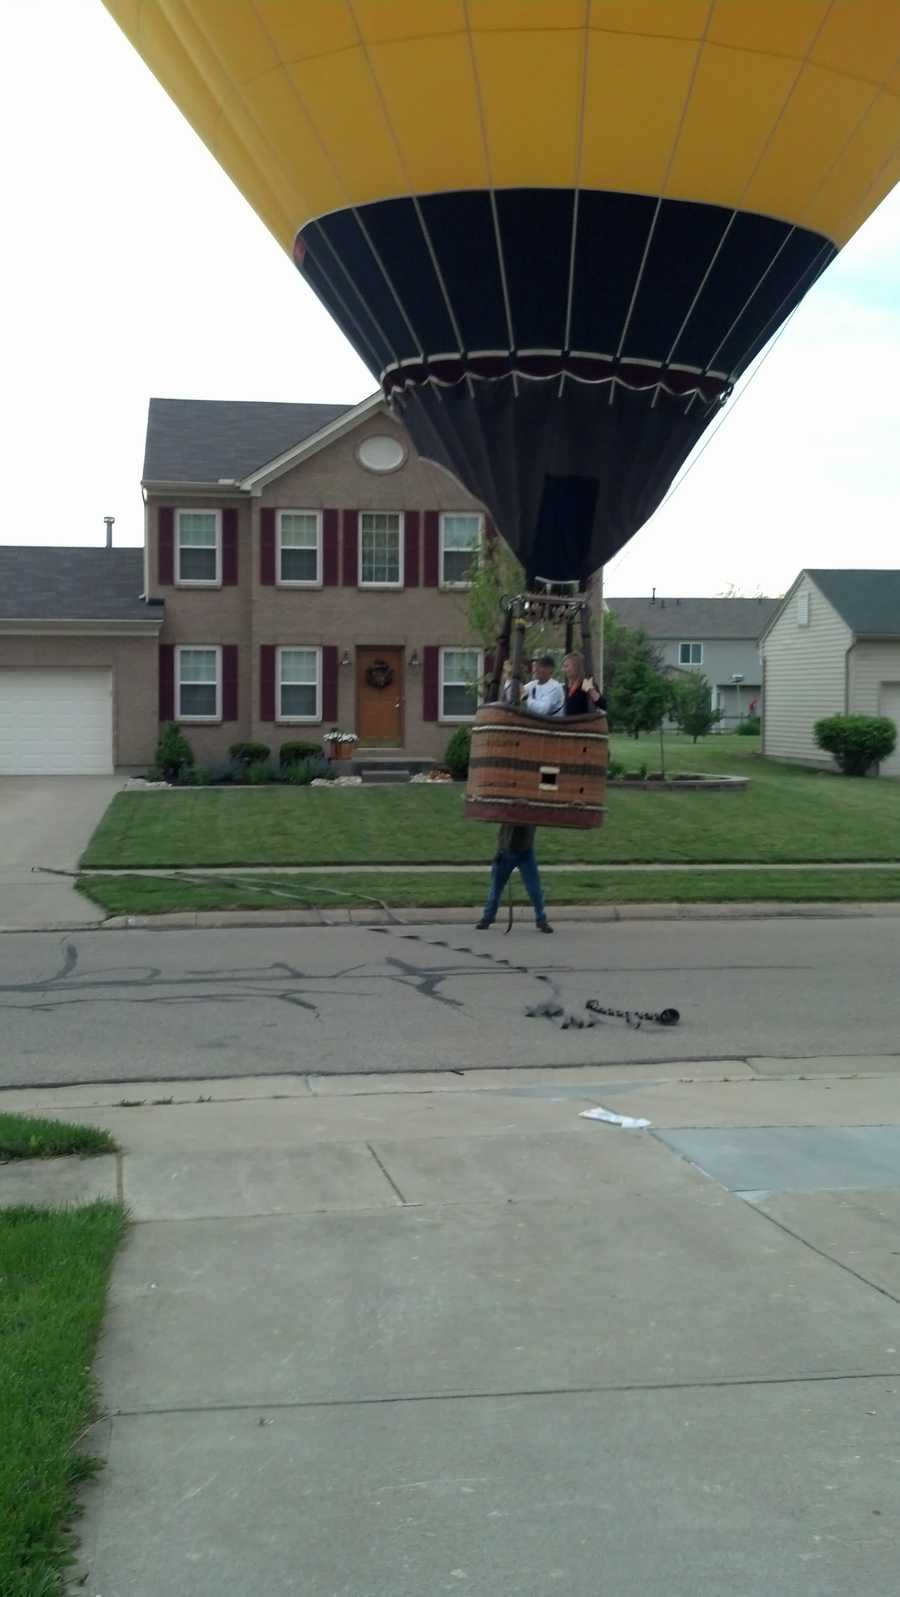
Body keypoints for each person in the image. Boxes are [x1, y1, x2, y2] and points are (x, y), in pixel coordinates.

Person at [476, 823, 553, 932]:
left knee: (534, 889)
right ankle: (487, 918)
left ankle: (541, 920)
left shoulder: (531, 814)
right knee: (496, 888)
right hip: (506, 852)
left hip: (526, 852)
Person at [561, 651, 606, 716]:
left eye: (566, 666)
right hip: (568, 722)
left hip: (583, 722)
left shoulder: (586, 684)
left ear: (576, 667)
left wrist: (591, 690)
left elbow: (603, 705)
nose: (563, 670)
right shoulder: (565, 687)